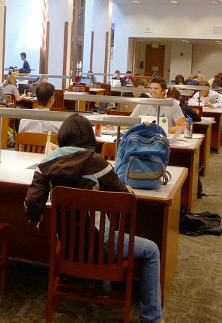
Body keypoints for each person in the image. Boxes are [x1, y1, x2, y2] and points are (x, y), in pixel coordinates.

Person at [24, 114, 164, 323]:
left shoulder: (45, 164)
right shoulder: (97, 163)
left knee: (94, 233)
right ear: (88, 136)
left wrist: (36, 218)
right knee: (151, 250)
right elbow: (125, 198)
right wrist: (128, 190)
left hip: (68, 244)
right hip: (102, 244)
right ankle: (152, 317)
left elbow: (32, 203)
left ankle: (100, 289)